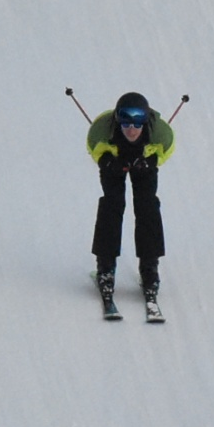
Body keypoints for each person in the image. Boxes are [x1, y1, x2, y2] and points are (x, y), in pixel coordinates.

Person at [87, 91, 175, 298]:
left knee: (147, 206)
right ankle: (105, 268)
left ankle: (149, 269)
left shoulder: (161, 133)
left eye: (138, 122)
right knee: (112, 205)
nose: (132, 129)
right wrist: (107, 162)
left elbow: (167, 149)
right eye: (125, 122)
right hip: (114, 161)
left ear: (146, 120)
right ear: (117, 119)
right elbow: (94, 148)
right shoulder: (101, 130)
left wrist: (151, 162)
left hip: (144, 162)